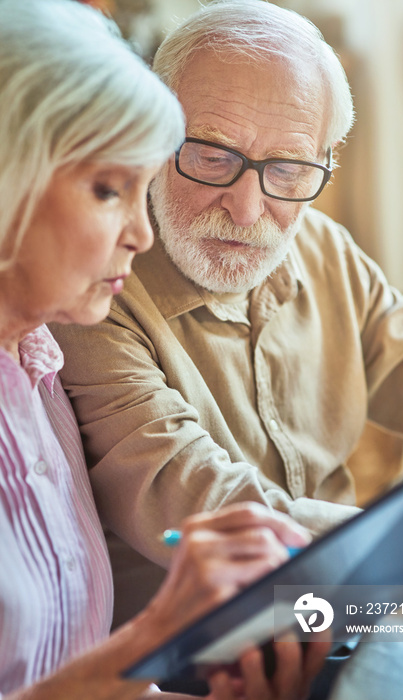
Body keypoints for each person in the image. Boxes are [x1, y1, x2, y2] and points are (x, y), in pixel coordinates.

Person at [0, 1, 330, 698]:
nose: (142, 235)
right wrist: (154, 639)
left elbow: (67, 661)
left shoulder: (37, 368)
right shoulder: (87, 333)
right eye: (108, 189)